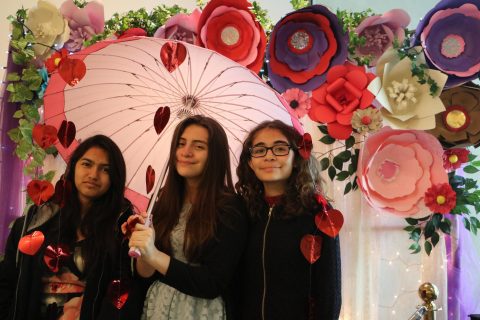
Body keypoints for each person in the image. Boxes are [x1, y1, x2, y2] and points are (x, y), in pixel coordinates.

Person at [0, 134, 145, 320]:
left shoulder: (122, 232)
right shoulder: (34, 223)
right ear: (74, 166)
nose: (93, 175)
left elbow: (123, 296)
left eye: (105, 169)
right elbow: (7, 281)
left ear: (114, 178)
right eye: (87, 164)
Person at [125, 115, 247, 320]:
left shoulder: (230, 208)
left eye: (198, 146)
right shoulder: (163, 199)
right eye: (181, 144)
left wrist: (155, 255)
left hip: (201, 311)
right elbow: (145, 275)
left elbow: (212, 283)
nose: (186, 152)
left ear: (214, 155)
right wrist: (144, 247)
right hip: (158, 307)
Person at [236, 120, 342, 320]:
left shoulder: (318, 213)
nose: (269, 155)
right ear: (250, 161)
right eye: (259, 150)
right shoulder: (242, 211)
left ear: (296, 157)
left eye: (280, 148)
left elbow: (330, 293)